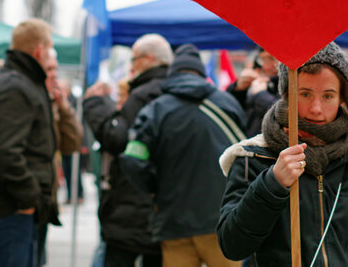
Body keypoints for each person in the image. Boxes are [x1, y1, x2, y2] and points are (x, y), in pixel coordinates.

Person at [217, 42, 348, 266]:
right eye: (305, 94)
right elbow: (232, 245)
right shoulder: (253, 159)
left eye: (328, 96)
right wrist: (272, 184)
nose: (316, 108)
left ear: (342, 98)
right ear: (287, 95)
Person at [121, 43, 245, 267]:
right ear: (200, 73)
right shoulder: (228, 103)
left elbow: (132, 158)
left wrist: (153, 188)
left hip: (173, 221)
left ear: (173, 73)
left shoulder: (155, 109)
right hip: (221, 220)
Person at [83, 33, 173, 267]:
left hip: (132, 203)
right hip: (166, 205)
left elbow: (118, 140)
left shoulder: (142, 94)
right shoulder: (175, 91)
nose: (131, 66)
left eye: (133, 59)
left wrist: (94, 106)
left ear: (147, 59)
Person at [0, 18, 57, 267]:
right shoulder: (15, 87)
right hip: (10, 208)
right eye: (49, 49)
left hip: (12, 206)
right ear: (39, 49)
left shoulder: (16, 81)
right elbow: (5, 153)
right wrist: (29, 199)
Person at [39, 48, 83, 267]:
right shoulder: (27, 100)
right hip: (27, 201)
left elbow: (72, 144)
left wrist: (64, 109)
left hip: (44, 199)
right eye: (50, 69)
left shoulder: (52, 104)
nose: (54, 75)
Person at [226, 47, 280, 136]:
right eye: (262, 59)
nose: (265, 66)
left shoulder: (293, 83)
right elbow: (231, 110)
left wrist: (260, 95)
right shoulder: (261, 83)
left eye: (271, 59)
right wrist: (238, 89)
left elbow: (284, 114)